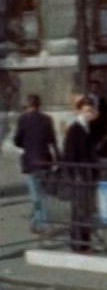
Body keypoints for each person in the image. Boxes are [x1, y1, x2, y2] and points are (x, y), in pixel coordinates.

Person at [12, 95, 57, 235]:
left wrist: (26, 145)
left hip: (30, 162)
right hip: (45, 161)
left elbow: (17, 140)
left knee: (37, 196)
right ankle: (35, 222)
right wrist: (57, 159)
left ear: (28, 105)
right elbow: (52, 140)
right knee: (40, 194)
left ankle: (45, 224)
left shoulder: (23, 120)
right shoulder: (47, 119)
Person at [59, 99, 100, 253]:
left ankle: (85, 243)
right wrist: (74, 175)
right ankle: (78, 243)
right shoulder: (75, 130)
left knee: (86, 212)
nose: (89, 114)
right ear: (80, 111)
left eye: (90, 110)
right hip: (79, 177)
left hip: (88, 177)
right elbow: (69, 156)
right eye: (86, 110)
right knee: (78, 212)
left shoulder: (89, 128)